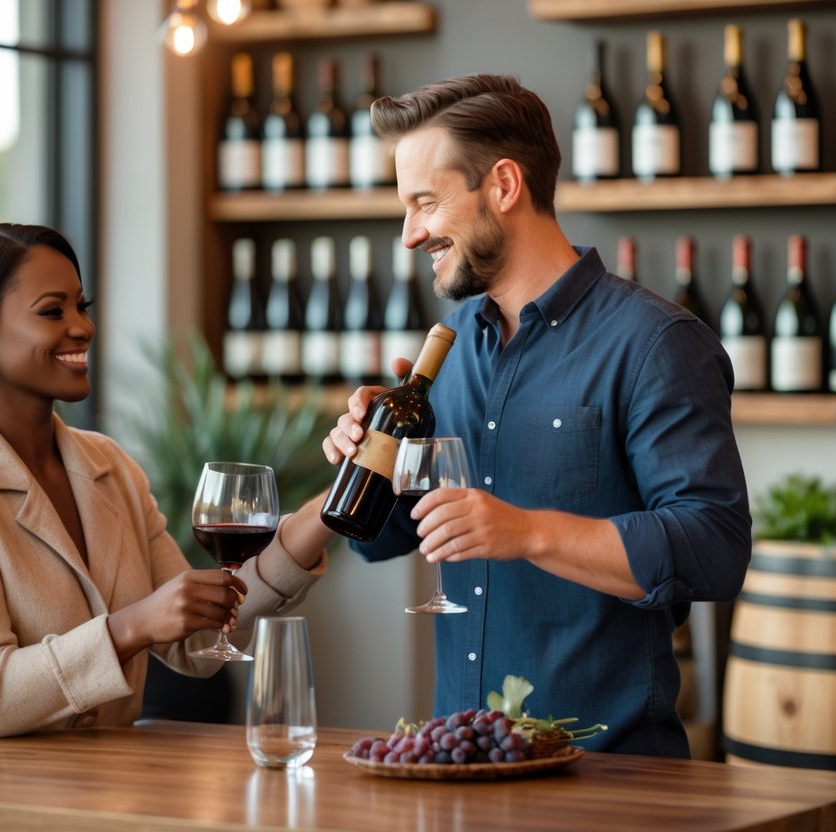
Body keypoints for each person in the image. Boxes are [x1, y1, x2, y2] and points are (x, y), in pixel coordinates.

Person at [322, 74, 752, 757]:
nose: (409, 235)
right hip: (460, 762)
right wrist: (369, 459)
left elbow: (713, 549)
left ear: (501, 185)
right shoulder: (450, 346)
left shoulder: (655, 343)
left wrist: (524, 531)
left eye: (425, 203)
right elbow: (380, 540)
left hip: (608, 780)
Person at [0, 223, 332, 747]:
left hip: (100, 788)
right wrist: (132, 626)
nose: (82, 328)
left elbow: (199, 641)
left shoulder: (107, 465)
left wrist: (327, 510)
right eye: (52, 311)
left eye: (81, 307)